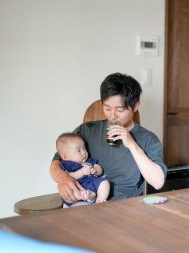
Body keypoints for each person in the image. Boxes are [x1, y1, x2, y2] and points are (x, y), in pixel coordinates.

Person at [50, 73, 167, 204]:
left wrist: (131, 144)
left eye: (120, 110)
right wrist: (63, 179)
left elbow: (158, 182)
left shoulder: (148, 139)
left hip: (125, 206)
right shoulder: (87, 130)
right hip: (86, 202)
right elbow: (57, 161)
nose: (112, 116)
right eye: (107, 108)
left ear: (135, 106)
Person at [56, 132, 110, 206]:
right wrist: (81, 172)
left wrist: (96, 170)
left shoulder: (88, 160)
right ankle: (87, 196)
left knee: (105, 183)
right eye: (79, 150)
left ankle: (99, 200)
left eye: (84, 148)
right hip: (77, 186)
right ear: (65, 156)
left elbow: (100, 169)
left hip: (92, 183)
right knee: (69, 193)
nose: (84, 152)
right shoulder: (67, 164)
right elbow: (68, 177)